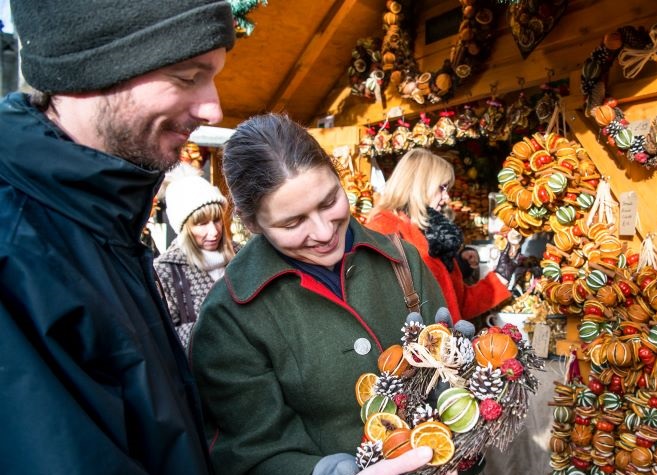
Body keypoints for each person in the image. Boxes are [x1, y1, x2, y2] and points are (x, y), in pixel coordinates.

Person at [0, 1, 236, 474]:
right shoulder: (19, 252)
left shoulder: (103, 218)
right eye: (186, 75)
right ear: (87, 70)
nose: (214, 107)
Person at [190, 113, 448, 475]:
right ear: (252, 224)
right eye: (292, 223)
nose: (324, 232)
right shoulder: (229, 317)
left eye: (329, 202)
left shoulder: (402, 260)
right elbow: (249, 453)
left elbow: (452, 373)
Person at [366, 148, 512, 323]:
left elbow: (459, 306)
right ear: (420, 185)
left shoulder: (436, 235)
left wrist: (500, 277)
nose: (447, 196)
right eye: (442, 188)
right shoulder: (383, 229)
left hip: (444, 345)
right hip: (413, 347)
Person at [154, 165, 237, 347]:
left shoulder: (241, 256)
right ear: (184, 228)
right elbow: (163, 337)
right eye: (201, 224)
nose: (213, 231)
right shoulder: (165, 270)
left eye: (217, 220)